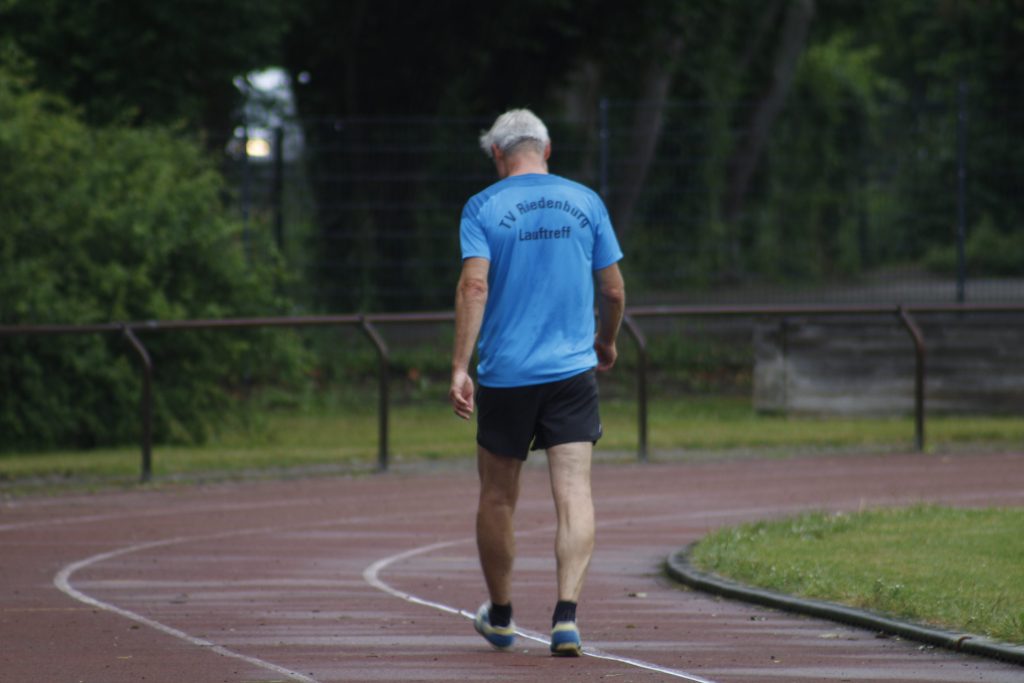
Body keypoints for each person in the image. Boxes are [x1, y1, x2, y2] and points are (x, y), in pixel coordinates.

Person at [448, 108, 626, 657]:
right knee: (574, 492)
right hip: (572, 371)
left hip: (506, 376)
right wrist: (607, 341)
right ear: (546, 151)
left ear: (497, 156)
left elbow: (473, 288)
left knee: (498, 496)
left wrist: (460, 365)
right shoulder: (587, 202)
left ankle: (501, 616)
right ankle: (566, 617)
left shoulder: (483, 206)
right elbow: (614, 291)